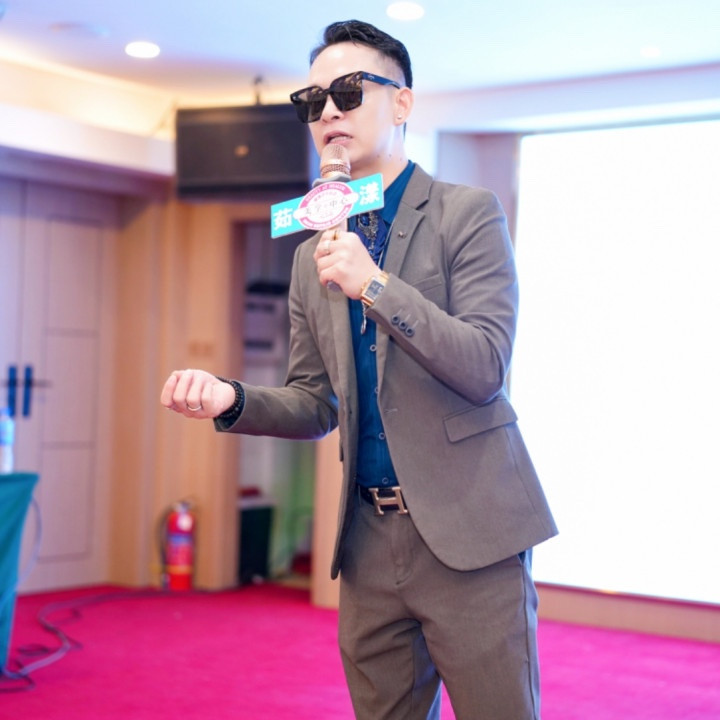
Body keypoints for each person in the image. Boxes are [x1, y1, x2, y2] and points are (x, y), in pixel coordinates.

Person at [161, 19, 557, 720]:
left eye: (348, 92)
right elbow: (315, 403)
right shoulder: (311, 255)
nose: (328, 112)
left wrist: (373, 284)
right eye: (313, 100)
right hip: (369, 541)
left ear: (402, 103)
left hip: (471, 533)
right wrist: (231, 397)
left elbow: (485, 367)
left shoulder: (466, 214)